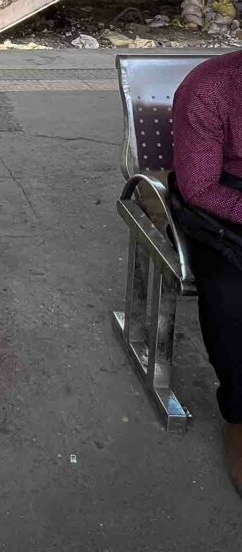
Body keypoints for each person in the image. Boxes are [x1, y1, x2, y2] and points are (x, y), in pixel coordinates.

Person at [173, 51, 242, 496]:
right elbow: (199, 188)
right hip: (220, 207)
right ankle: (239, 418)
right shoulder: (208, 89)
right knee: (229, 295)